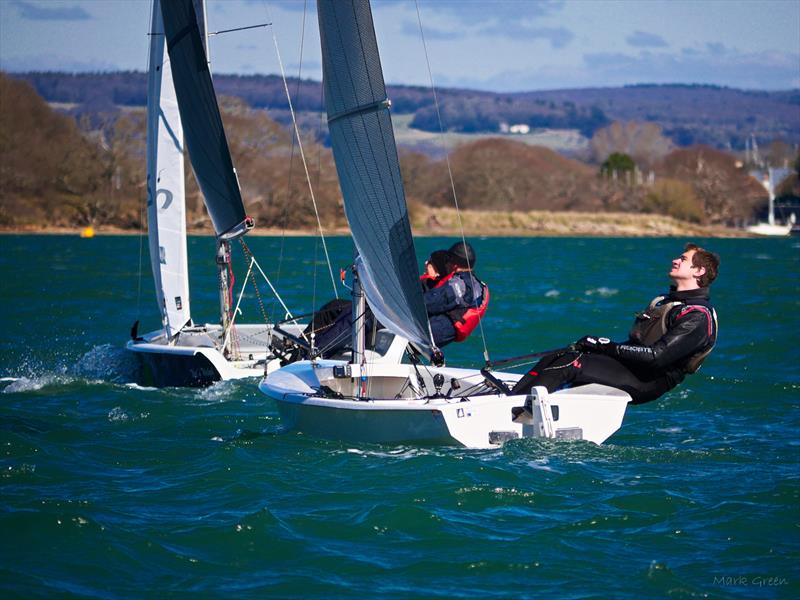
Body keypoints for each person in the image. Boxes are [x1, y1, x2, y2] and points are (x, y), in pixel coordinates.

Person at [511, 243, 719, 406]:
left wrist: (605, 346)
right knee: (558, 357)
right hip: (633, 368)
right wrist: (598, 347)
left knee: (570, 364)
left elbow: (656, 357)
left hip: (649, 381)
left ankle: (517, 412)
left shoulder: (697, 317)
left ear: (698, 271)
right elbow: (636, 346)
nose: (675, 260)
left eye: (683, 259)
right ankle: (512, 400)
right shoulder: (668, 301)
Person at [422, 242, 489, 348]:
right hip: (448, 331)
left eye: (448, 261)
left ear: (455, 265)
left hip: (440, 328)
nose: (446, 264)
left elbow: (427, 304)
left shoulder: (458, 284)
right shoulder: (477, 285)